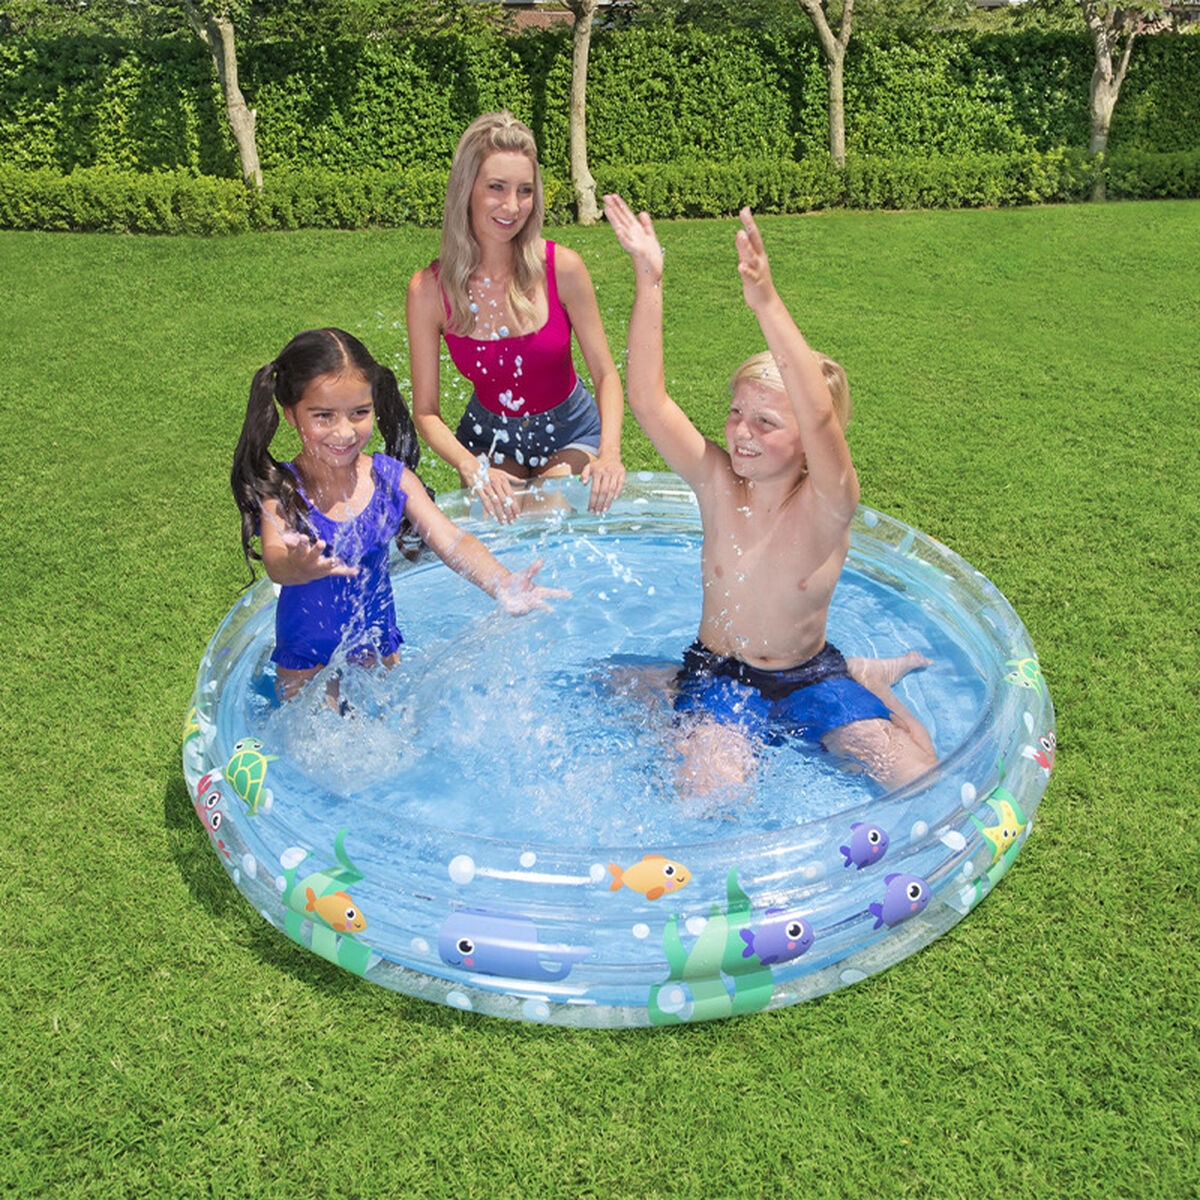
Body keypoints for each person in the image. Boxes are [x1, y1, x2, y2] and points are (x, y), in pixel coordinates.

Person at [603, 195, 937, 794]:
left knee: (916, 778)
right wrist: (649, 277)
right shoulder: (717, 483)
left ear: (808, 443)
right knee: (708, 794)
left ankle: (864, 681)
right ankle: (681, 693)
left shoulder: (829, 502)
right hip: (721, 676)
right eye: (737, 413)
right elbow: (648, 402)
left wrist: (766, 302)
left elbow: (820, 416)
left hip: (808, 677)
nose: (741, 432)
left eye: (766, 422)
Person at [231, 328, 567, 706]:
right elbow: (277, 561)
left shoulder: (391, 481)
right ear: (291, 414)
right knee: (313, 735)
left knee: (386, 729)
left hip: (376, 647)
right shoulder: (284, 491)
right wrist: (299, 566)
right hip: (305, 659)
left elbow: (452, 540)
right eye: (323, 416)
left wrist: (501, 582)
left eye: (359, 413)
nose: (344, 432)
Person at [407, 111, 626, 524]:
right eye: (497, 187)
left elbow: (605, 374)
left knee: (546, 521)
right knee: (497, 527)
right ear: (467, 189)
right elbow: (426, 412)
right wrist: (469, 464)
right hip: (488, 436)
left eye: (525, 190)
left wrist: (610, 453)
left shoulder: (562, 269)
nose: (512, 206)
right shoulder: (429, 291)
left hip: (570, 429)